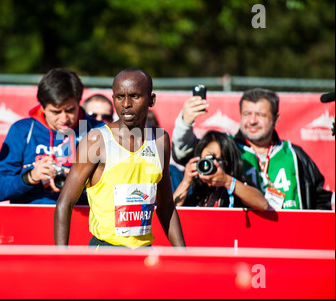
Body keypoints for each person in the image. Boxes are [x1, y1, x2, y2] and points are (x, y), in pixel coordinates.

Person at [54, 68, 185, 248]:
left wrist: (184, 254)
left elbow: (166, 206)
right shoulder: (96, 140)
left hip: (144, 251)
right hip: (105, 250)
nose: (126, 104)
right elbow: (65, 203)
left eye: (134, 96)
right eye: (119, 97)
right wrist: (60, 258)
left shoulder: (160, 139)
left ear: (151, 100)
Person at [172, 88, 332, 210]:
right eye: (247, 114)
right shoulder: (228, 148)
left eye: (261, 115)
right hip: (244, 237)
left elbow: (320, 201)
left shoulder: (295, 155)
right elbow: (184, 151)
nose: (253, 121)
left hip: (291, 239)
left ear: (275, 119)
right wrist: (185, 122)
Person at [0, 68, 103, 204]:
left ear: (78, 103)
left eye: (70, 110)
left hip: (81, 217)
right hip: (31, 218)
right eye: (56, 112)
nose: (64, 118)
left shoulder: (98, 130)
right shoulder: (22, 130)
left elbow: (116, 185)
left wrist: (80, 182)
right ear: (42, 107)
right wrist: (31, 177)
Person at [173, 130, 269, 210]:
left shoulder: (236, 187)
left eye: (218, 160)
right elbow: (170, 213)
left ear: (228, 162)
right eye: (208, 159)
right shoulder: (193, 188)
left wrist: (227, 181)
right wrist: (185, 182)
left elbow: (263, 205)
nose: (212, 164)